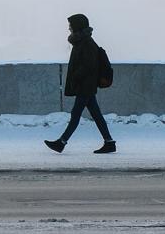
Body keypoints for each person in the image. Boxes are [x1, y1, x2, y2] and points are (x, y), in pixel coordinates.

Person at [45, 13, 116, 154]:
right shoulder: (83, 41)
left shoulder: (87, 43)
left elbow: (89, 65)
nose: (69, 28)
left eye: (71, 25)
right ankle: (109, 142)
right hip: (86, 85)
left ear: (77, 26)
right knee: (96, 115)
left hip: (85, 85)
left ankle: (62, 142)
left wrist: (76, 76)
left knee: (76, 114)